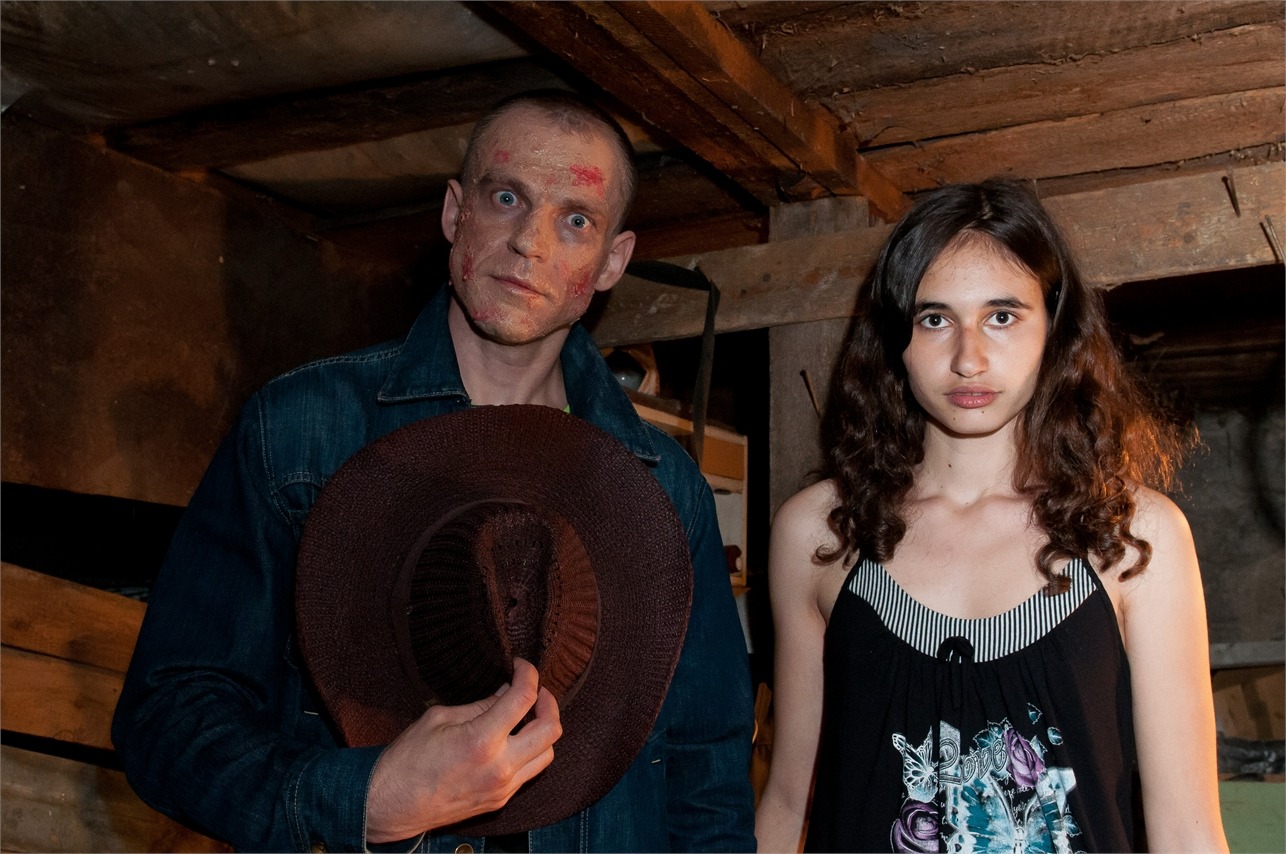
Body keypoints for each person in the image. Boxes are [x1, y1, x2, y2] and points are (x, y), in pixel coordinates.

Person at [112, 90, 756, 853]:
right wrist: (363, 798)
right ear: (456, 213)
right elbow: (170, 716)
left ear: (612, 260)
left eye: (576, 220)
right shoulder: (299, 433)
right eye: (507, 198)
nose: (529, 242)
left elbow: (706, 777)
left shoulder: (664, 490)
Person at [755, 179, 1227, 852]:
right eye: (934, 319)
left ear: (1055, 332)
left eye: (1002, 317)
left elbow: (1187, 830)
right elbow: (786, 801)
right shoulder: (820, 533)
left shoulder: (1133, 536)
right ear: (894, 338)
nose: (968, 358)